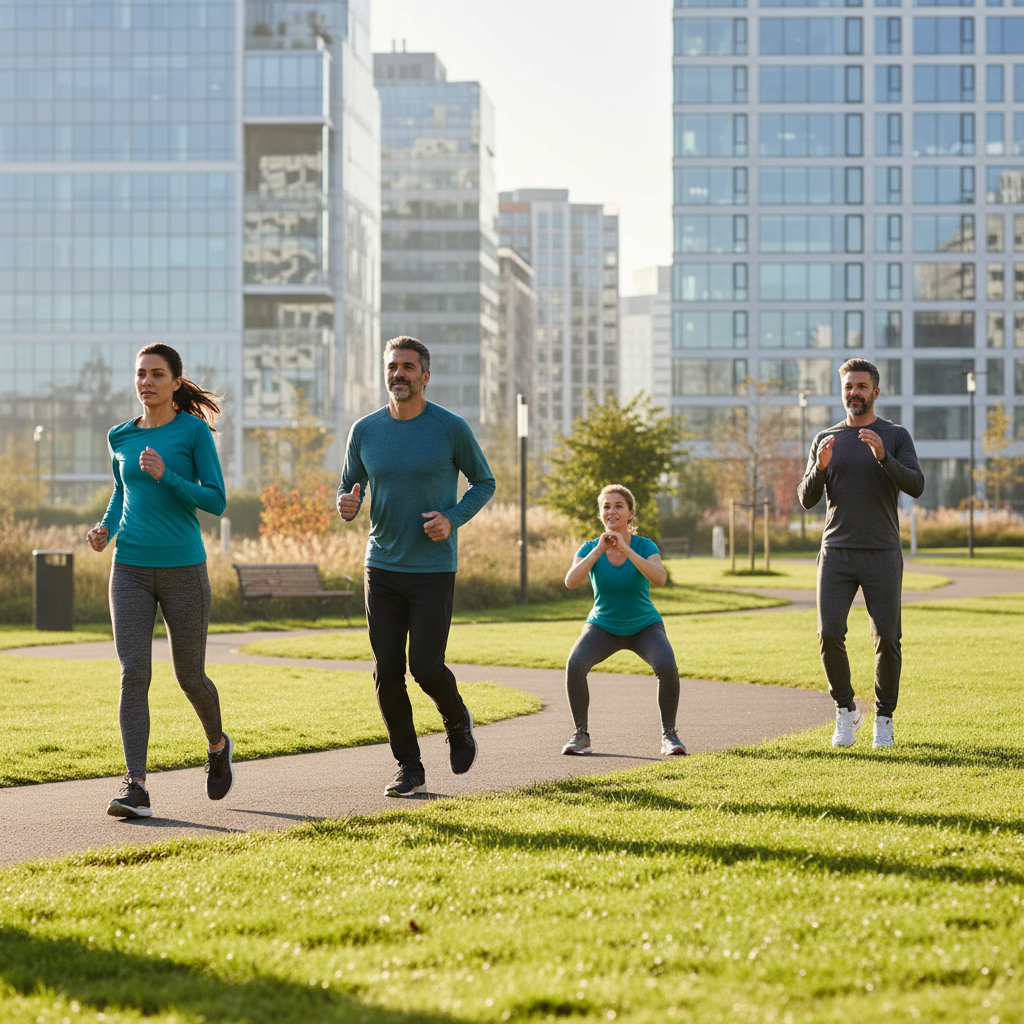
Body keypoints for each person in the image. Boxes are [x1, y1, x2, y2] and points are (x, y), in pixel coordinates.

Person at [337, 336, 496, 797]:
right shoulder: (364, 430)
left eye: (408, 367)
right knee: (387, 670)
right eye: (392, 367)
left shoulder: (450, 428)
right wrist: (347, 503)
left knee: (425, 666)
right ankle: (409, 766)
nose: (398, 374)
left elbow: (483, 482)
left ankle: (457, 721)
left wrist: (452, 518)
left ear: (425, 376)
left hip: (432, 569)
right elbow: (350, 485)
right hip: (381, 565)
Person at [87, 344, 234, 818]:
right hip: (128, 567)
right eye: (140, 374)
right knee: (134, 673)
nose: (146, 382)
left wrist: (167, 475)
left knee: (189, 676)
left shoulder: (193, 433)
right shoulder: (120, 436)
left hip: (183, 570)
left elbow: (216, 501)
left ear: (174, 382)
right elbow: (121, 491)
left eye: (156, 374)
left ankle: (217, 745)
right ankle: (136, 786)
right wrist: (105, 528)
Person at [798, 358, 925, 749]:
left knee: (887, 637)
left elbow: (917, 486)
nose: (854, 392)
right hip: (836, 551)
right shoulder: (825, 438)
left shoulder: (896, 435)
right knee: (829, 632)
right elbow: (806, 499)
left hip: (882, 551)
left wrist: (884, 458)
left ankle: (883, 718)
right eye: (848, 386)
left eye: (861, 386)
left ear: (875, 391)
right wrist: (819, 469)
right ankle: (845, 711)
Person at [561, 484, 687, 758]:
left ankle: (670, 735)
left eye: (618, 506)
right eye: (606, 506)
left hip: (644, 627)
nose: (612, 511)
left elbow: (660, 578)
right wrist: (599, 550)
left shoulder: (645, 546)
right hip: (602, 626)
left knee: (666, 665)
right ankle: (580, 735)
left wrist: (626, 549)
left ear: (630, 513)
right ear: (601, 514)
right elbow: (571, 581)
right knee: (575, 664)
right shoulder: (589, 547)